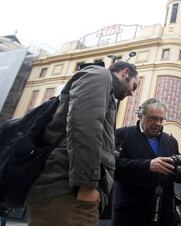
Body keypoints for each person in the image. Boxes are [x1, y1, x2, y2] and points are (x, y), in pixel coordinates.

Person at [26, 61, 139, 226]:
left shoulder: (105, 88)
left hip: (71, 193)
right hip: (68, 193)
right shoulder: (99, 76)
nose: (132, 93)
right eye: (134, 86)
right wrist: (87, 185)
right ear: (125, 73)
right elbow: (84, 126)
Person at [112, 98, 181, 226]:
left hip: (163, 213)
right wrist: (147, 165)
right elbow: (112, 166)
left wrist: (180, 171)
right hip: (130, 212)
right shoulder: (122, 135)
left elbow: (176, 172)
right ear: (141, 116)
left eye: (161, 119)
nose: (158, 123)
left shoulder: (171, 141)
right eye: (153, 118)